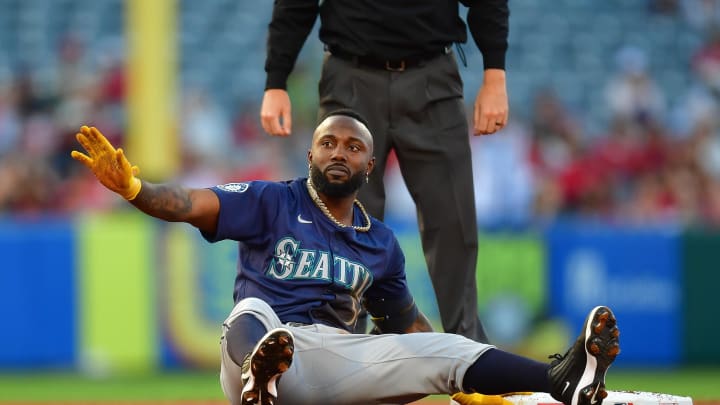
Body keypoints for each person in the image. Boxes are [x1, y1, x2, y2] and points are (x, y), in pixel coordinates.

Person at [71, 111, 619, 405]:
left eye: (353, 146)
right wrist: (136, 188)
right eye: (329, 142)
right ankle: (262, 383)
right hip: (252, 355)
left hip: (330, 362)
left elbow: (408, 328)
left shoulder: (379, 243)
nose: (339, 151)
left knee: (448, 345)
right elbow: (191, 204)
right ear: (310, 153)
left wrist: (461, 381)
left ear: (371, 164)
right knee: (251, 317)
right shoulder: (272, 200)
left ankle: (564, 380)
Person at [260, 0, 510, 343]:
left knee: (454, 223)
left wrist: (495, 75)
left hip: (432, 76)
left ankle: (469, 359)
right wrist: (276, 80)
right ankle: (337, 350)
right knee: (339, 221)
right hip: (349, 78)